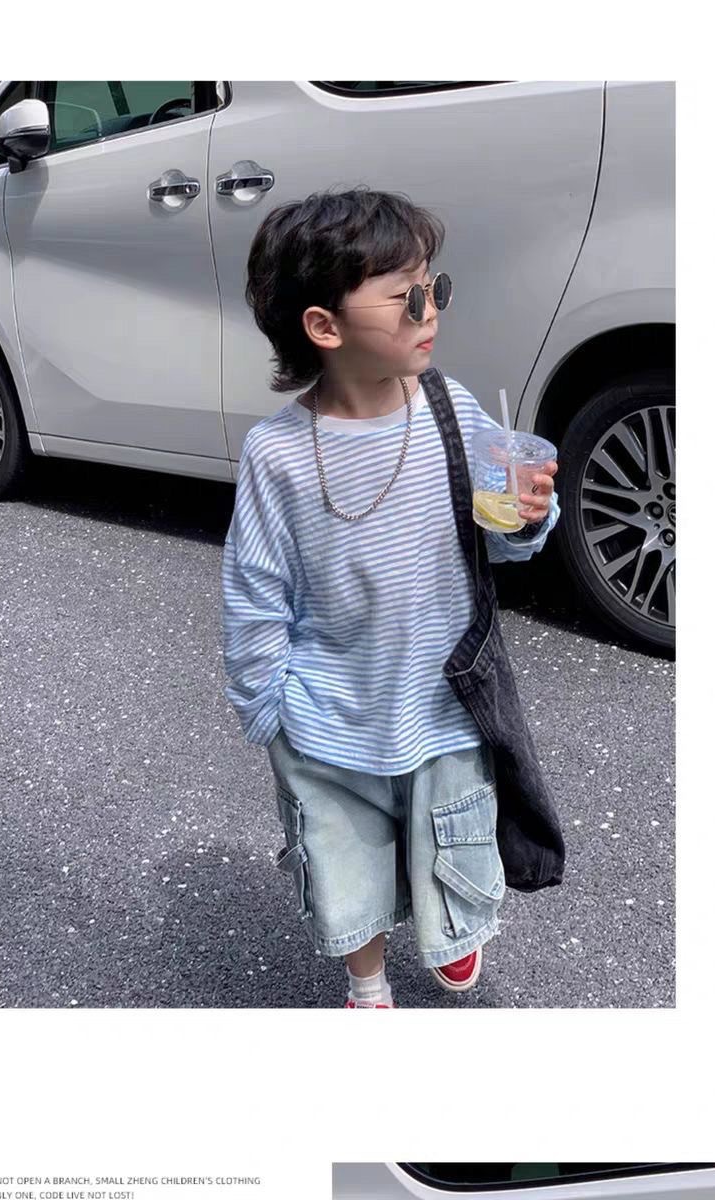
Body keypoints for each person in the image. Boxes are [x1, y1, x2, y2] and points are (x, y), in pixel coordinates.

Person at [221, 186, 559, 1008]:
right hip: (328, 715)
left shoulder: (451, 409)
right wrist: (271, 711)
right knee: (346, 866)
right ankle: (367, 983)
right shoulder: (277, 454)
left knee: (455, 842)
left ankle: (453, 930)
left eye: (434, 286)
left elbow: (498, 536)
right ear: (324, 327)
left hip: (443, 704)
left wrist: (525, 518)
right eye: (405, 296)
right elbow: (255, 593)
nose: (429, 309)